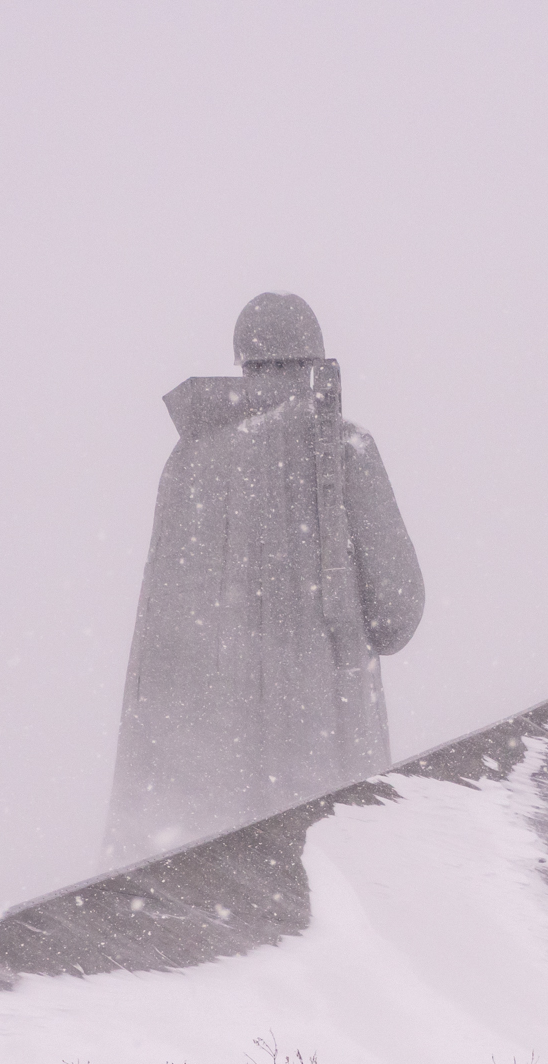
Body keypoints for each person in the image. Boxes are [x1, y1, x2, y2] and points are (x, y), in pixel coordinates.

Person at [103, 293, 424, 865]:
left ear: (243, 362)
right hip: (323, 768)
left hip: (204, 795)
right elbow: (396, 616)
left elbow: (159, 652)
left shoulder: (186, 464)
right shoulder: (343, 447)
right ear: (314, 360)